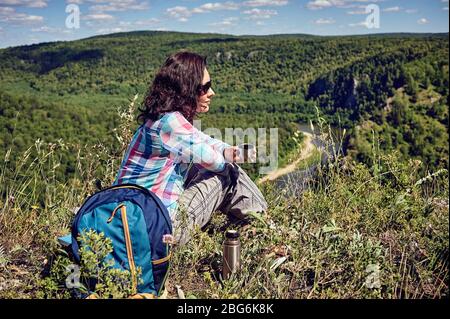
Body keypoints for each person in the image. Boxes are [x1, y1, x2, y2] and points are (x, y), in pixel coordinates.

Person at [113, 51, 267, 245]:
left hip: (133, 222)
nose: (212, 93)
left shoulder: (161, 118)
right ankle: (264, 226)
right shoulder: (172, 124)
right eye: (206, 87)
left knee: (199, 165)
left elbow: (202, 140)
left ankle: (251, 222)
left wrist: (230, 150)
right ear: (187, 90)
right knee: (227, 173)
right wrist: (228, 159)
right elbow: (215, 163)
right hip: (162, 230)